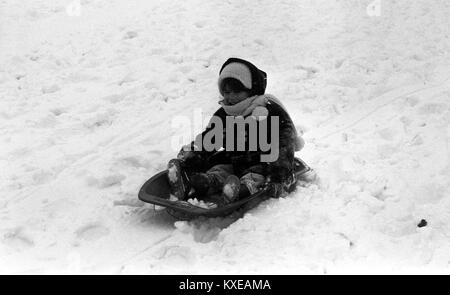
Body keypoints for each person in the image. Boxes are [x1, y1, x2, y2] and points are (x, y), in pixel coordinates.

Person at [167, 57, 303, 205]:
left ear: (250, 90)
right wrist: (191, 155)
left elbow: (283, 143)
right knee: (219, 169)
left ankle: (242, 189)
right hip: (235, 160)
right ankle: (202, 183)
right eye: (226, 92)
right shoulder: (225, 113)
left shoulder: (268, 111)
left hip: (264, 161)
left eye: (236, 92)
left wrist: (278, 176)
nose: (229, 97)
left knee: (255, 175)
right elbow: (210, 138)